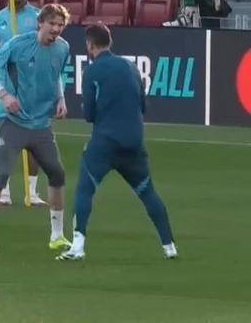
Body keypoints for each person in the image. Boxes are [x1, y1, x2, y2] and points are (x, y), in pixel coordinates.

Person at [57, 24, 178, 261]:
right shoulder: (131, 67)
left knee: (85, 189)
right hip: (134, 142)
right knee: (148, 193)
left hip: (105, 142)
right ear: (110, 42)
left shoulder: (92, 71)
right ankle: (169, 245)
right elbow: (143, 105)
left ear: (90, 45)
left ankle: (77, 246)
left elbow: (89, 115)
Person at [0, 4, 73, 253]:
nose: (56, 29)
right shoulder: (19, 44)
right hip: (12, 121)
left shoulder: (63, 48)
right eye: (52, 24)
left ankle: (57, 235)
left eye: (60, 25)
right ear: (40, 23)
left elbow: (56, 75)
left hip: (41, 124)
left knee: (57, 174)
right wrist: (4, 95)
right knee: (0, 177)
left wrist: (61, 98)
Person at [0, 0, 46, 207]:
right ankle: (4, 191)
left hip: (31, 84)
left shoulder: (37, 16)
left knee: (35, 140)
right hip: (6, 85)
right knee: (3, 140)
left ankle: (32, 192)